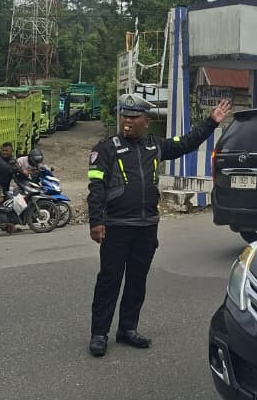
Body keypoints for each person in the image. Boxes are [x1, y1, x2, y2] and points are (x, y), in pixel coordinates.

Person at [87, 93, 232, 357]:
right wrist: (96, 221)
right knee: (109, 280)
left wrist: (211, 122)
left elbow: (186, 143)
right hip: (117, 226)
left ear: (147, 121)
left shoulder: (155, 146)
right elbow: (95, 187)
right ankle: (99, 333)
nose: (128, 121)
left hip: (146, 226)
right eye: (125, 116)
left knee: (136, 280)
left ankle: (127, 329)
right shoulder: (105, 149)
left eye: (134, 117)